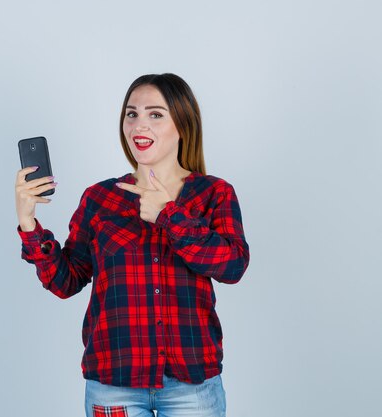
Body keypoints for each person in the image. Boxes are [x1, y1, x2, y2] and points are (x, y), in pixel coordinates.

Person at [14, 73, 250, 417]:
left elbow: (233, 266)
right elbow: (66, 282)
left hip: (192, 386)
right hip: (114, 386)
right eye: (132, 114)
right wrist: (28, 224)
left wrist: (168, 215)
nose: (140, 124)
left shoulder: (214, 193)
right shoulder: (100, 198)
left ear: (182, 124)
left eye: (155, 114)